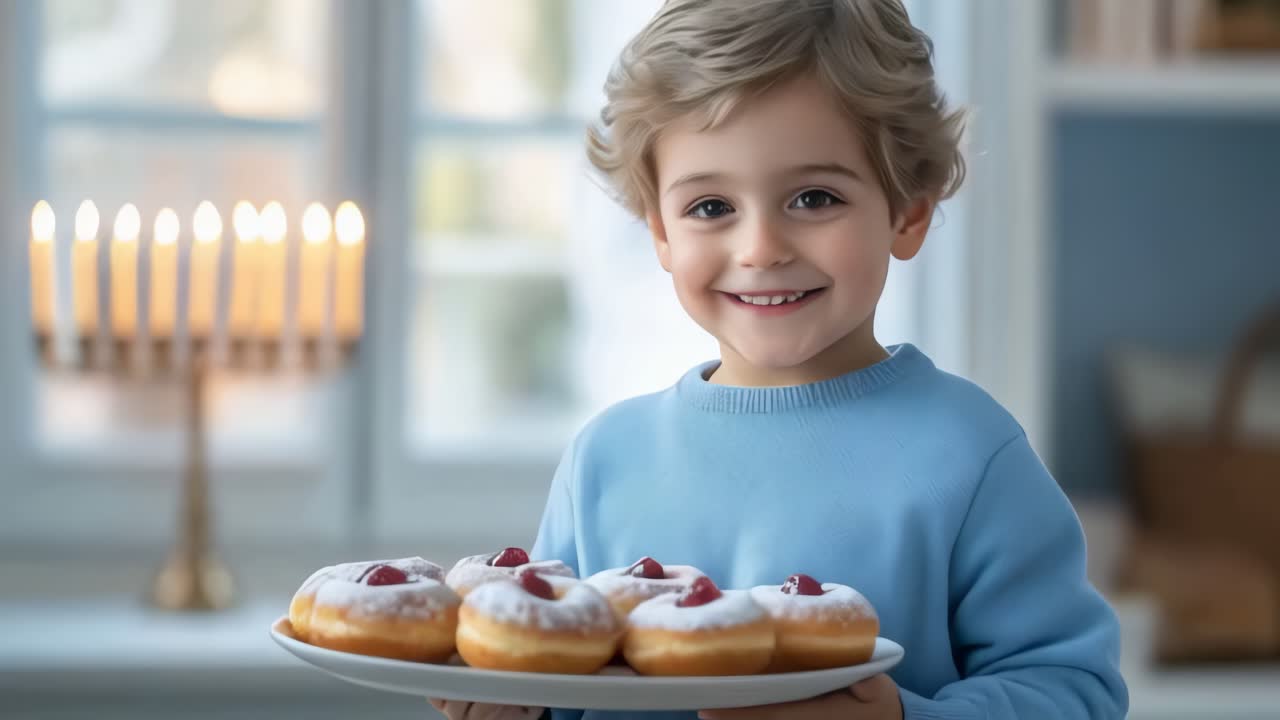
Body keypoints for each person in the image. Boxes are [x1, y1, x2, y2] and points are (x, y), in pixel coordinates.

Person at [433, 0, 1128, 718]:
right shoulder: (604, 462)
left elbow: (1074, 692)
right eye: (710, 208)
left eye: (814, 197)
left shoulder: (971, 456)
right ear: (661, 232)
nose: (761, 248)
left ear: (907, 211)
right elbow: (562, 684)